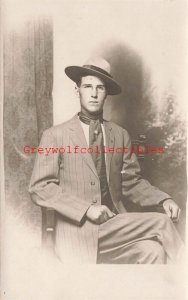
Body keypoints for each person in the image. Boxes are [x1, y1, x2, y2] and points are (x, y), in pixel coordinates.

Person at [29, 57, 184, 264]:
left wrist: (163, 199)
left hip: (114, 226)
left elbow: (131, 183)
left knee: (153, 251)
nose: (93, 93)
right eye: (88, 87)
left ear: (106, 94)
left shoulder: (119, 135)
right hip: (78, 231)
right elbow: (40, 187)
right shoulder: (55, 136)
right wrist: (87, 210)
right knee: (162, 222)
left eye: (100, 88)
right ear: (77, 91)